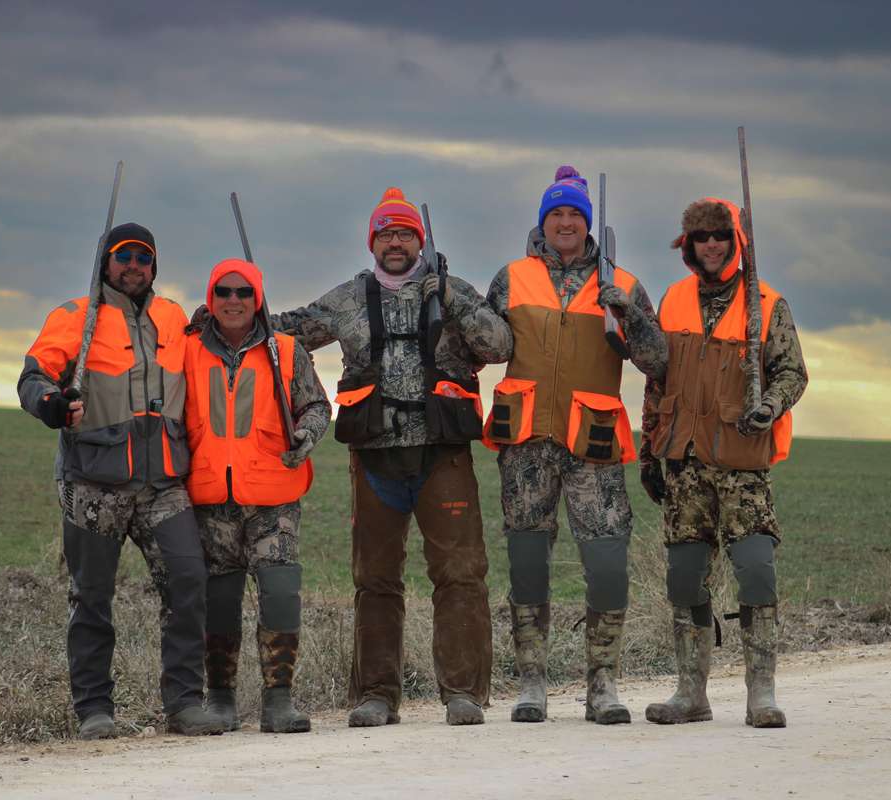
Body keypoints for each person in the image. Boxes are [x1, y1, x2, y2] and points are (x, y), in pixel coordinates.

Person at [270, 187, 512, 727]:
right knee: (375, 579)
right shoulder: (348, 298)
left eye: (404, 233)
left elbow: (500, 346)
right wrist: (224, 314)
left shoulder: (452, 292)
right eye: (386, 233)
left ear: (419, 241)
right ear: (373, 242)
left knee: (461, 574)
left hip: (442, 456)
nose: (395, 242)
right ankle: (375, 695)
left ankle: (463, 694)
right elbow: (288, 331)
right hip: (374, 458)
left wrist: (452, 299)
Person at [18, 223, 217, 739]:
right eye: (123, 256)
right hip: (93, 482)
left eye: (144, 258)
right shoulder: (74, 317)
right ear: (105, 262)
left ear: (154, 267)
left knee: (189, 582)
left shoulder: (173, 317)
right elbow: (33, 378)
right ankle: (94, 710)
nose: (134, 265)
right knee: (92, 596)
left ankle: (184, 703)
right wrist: (51, 405)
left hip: (163, 484)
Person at [485, 166, 667, 724]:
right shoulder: (511, 278)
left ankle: (603, 683)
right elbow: (482, 343)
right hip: (527, 446)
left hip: (594, 445)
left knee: (608, 564)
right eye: (556, 213)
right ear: (543, 221)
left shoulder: (624, 285)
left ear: (588, 224)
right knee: (526, 567)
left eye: (575, 214)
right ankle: (532, 683)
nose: (565, 222)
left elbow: (657, 361)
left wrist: (630, 314)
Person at [640, 197, 808, 728]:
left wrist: (770, 405)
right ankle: (691, 693)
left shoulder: (767, 302)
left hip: (744, 461)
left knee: (756, 573)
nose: (710, 244)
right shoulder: (673, 299)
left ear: (737, 242)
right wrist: (650, 450)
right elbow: (657, 382)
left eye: (720, 235)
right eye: (701, 236)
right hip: (685, 465)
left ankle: (762, 695)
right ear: (688, 245)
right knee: (686, 579)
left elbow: (792, 373)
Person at [183, 258, 331, 734]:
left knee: (281, 593)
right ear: (211, 297)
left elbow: (316, 405)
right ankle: (221, 698)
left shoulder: (284, 350)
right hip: (211, 495)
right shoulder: (188, 351)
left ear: (258, 299)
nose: (233, 300)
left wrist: (305, 434)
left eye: (244, 292)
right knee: (219, 599)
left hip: (274, 494)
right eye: (223, 291)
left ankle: (278, 700)